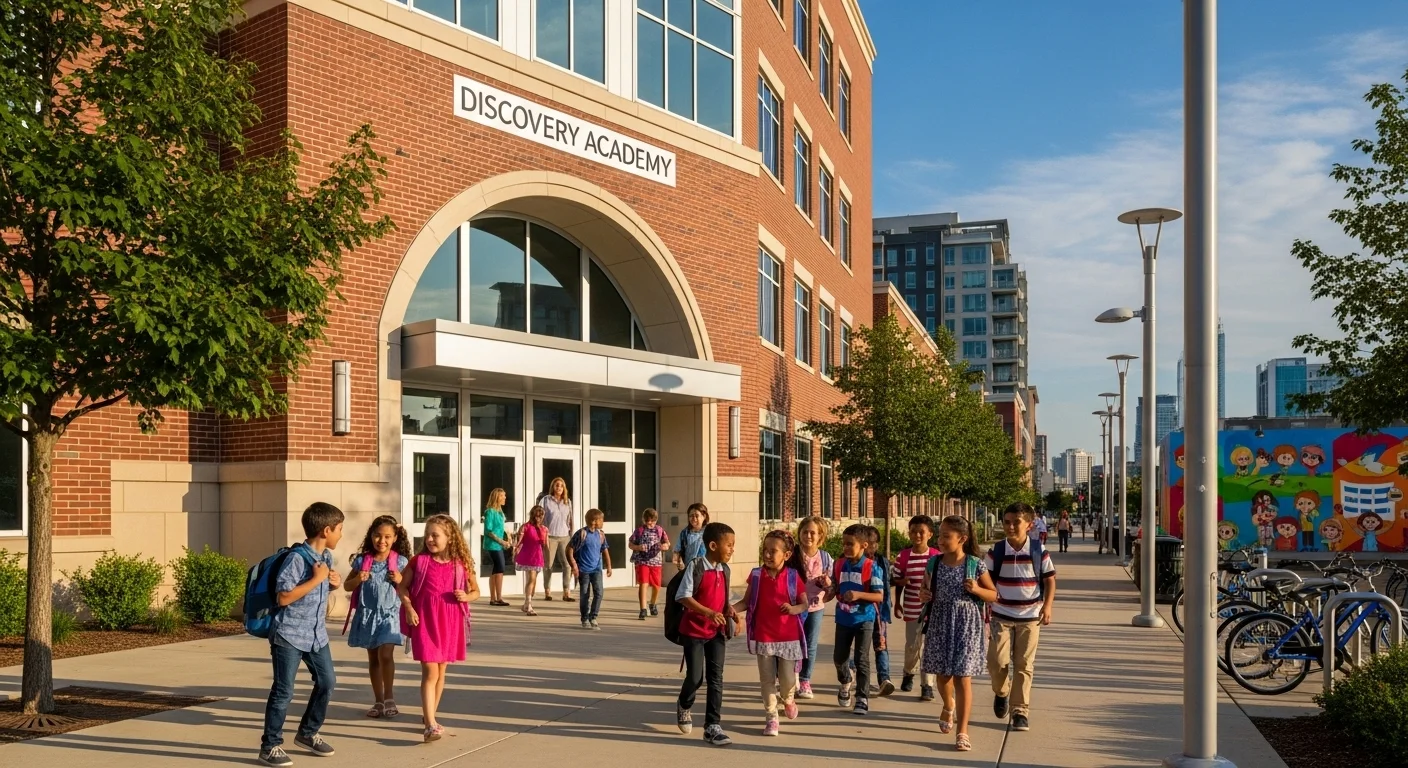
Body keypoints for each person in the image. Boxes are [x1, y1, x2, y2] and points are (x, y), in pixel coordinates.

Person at [258, 502, 344, 767]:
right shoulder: (297, 559)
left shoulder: (325, 558)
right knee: (284, 691)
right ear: (326, 530)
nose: (341, 535)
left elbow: (311, 594)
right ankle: (270, 746)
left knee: (327, 682)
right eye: (339, 530)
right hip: (289, 635)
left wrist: (330, 585)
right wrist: (317, 580)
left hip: (316, 635)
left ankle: (308, 733)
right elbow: (283, 597)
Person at [919, 515, 999, 753]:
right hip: (940, 622)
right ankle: (948, 704)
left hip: (967, 624)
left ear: (962, 538)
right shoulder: (933, 563)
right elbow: (925, 589)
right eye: (940, 534)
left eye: (946, 535)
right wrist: (924, 595)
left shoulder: (975, 564)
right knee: (943, 676)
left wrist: (977, 589)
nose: (941, 540)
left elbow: (994, 595)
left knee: (963, 677)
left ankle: (962, 731)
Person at [397, 513, 480, 743]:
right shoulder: (419, 562)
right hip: (424, 621)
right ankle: (431, 724)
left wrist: (466, 596)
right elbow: (402, 588)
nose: (430, 539)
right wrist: (409, 608)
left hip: (449, 622)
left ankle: (429, 716)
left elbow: (476, 591)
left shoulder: (460, 564)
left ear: (450, 537)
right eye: (427, 535)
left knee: (442, 671)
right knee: (430, 672)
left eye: (435, 535)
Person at [987, 502, 1057, 733]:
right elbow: (984, 578)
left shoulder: (1038, 550)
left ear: (1029, 524)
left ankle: (1020, 711)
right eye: (1006, 522)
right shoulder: (996, 551)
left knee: (1024, 665)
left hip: (1030, 616)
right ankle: (1002, 692)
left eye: (1016, 522)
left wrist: (1047, 606)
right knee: (997, 662)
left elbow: (1049, 579)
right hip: (1000, 615)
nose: (1010, 526)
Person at [733, 530, 808, 736]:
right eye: (764, 550)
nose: (767, 555)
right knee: (766, 680)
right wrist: (731, 610)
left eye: (772, 551)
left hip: (789, 637)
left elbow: (804, 604)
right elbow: (746, 602)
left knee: (787, 680)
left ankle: (789, 699)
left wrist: (794, 609)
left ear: (786, 555)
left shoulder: (793, 577)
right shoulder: (756, 575)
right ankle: (771, 717)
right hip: (764, 636)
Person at [675, 521, 741, 747]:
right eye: (729, 545)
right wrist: (709, 612)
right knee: (695, 677)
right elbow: (683, 596)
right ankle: (684, 704)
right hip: (694, 630)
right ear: (713, 545)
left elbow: (722, 600)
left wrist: (729, 611)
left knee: (716, 679)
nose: (732, 549)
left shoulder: (726, 570)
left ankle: (713, 726)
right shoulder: (696, 566)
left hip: (716, 632)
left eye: (733, 545)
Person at [343, 514, 411, 721]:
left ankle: (390, 697)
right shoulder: (363, 561)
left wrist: (400, 579)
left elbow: (411, 588)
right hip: (367, 615)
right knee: (373, 658)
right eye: (377, 536)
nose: (382, 541)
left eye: (387, 537)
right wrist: (357, 579)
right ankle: (378, 700)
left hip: (390, 615)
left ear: (395, 537)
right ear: (371, 536)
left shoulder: (400, 561)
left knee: (386, 655)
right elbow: (346, 586)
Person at [826, 523, 884, 716]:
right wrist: (826, 588)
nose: (846, 548)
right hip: (843, 618)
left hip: (864, 620)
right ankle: (845, 681)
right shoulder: (839, 564)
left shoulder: (871, 567)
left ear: (864, 545)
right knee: (839, 658)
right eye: (844, 544)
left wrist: (859, 595)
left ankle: (862, 698)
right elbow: (834, 588)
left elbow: (879, 596)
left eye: (850, 544)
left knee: (862, 659)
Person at [892, 514, 939, 702]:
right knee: (913, 646)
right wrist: (897, 602)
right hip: (912, 607)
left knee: (929, 648)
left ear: (930, 534)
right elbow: (897, 580)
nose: (917, 535)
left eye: (921, 532)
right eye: (913, 532)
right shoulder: (903, 556)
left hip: (933, 610)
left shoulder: (936, 556)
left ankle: (927, 685)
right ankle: (908, 672)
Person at [785, 515, 832, 700]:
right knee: (791, 644)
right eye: (805, 532)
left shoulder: (825, 558)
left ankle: (805, 680)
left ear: (820, 536)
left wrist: (827, 583)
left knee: (810, 645)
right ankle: (789, 679)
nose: (809, 536)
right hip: (795, 607)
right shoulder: (792, 555)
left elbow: (832, 586)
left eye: (813, 533)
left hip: (815, 608)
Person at [860, 525, 896, 697]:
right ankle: (854, 674)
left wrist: (888, 609)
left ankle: (884, 679)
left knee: (881, 644)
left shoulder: (882, 561)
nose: (870, 547)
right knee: (861, 647)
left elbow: (888, 586)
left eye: (873, 543)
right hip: (859, 612)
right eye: (867, 543)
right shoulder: (854, 561)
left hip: (878, 612)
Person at [567, 508, 612, 630]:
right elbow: (569, 549)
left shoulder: (600, 534)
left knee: (599, 593)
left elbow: (605, 550)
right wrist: (574, 565)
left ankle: (593, 616)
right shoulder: (582, 534)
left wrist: (608, 566)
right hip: (584, 570)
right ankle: (585, 618)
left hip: (596, 569)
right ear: (594, 521)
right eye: (601, 519)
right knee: (585, 594)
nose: (603, 522)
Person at [629, 507, 671, 620]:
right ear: (643, 520)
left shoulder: (659, 530)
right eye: (647, 520)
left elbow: (667, 543)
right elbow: (630, 544)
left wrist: (664, 546)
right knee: (644, 583)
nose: (649, 523)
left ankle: (652, 603)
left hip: (656, 561)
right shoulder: (639, 531)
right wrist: (638, 547)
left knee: (656, 586)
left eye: (652, 521)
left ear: (655, 520)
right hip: (642, 561)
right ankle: (643, 609)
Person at [538, 477, 575, 602]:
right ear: (553, 487)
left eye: (561, 485)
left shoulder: (568, 502)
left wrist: (572, 535)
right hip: (550, 536)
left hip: (565, 536)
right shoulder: (546, 500)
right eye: (557, 485)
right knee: (548, 565)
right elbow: (540, 517)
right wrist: (541, 533)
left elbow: (570, 519)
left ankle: (566, 592)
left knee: (567, 564)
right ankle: (547, 591)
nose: (559, 487)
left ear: (564, 488)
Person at [513, 505, 549, 616]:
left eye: (541, 515)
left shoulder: (544, 529)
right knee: (531, 579)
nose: (539, 518)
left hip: (538, 557)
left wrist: (548, 559)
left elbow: (546, 546)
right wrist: (514, 551)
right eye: (537, 515)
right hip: (527, 556)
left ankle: (526, 602)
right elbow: (518, 542)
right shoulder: (525, 527)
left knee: (533, 581)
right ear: (533, 515)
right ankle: (528, 605)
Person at [481, 488, 512, 607]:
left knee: (496, 570)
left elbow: (501, 528)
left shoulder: (500, 512)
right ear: (496, 497)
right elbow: (488, 531)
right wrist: (501, 541)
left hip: (499, 544)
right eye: (502, 496)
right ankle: (498, 597)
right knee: (500, 568)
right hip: (492, 544)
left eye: (504, 496)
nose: (505, 498)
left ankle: (493, 598)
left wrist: (507, 538)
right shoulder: (490, 512)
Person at [673, 503, 709, 568]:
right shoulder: (684, 533)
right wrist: (678, 561)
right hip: (688, 570)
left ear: (704, 516)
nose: (694, 518)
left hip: (706, 571)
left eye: (696, 516)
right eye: (691, 516)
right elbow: (677, 551)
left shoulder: (710, 532)